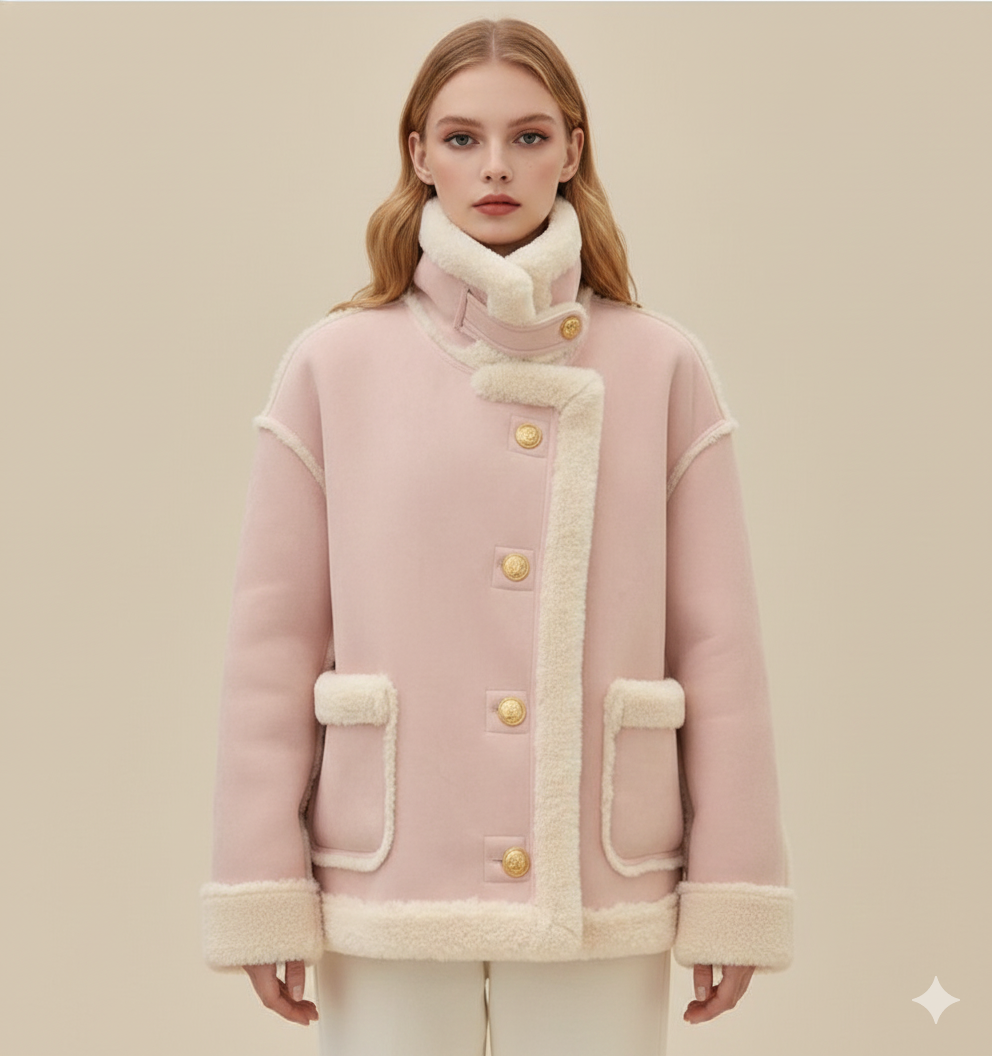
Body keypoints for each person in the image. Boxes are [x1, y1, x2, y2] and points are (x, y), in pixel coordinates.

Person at [201, 18, 793, 1056]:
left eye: (527, 137)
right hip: (389, 865)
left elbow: (718, 645)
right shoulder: (333, 365)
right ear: (418, 154)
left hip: (597, 872)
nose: (495, 167)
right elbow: (272, 646)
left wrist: (731, 889)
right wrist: (263, 886)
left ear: (572, 150)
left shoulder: (661, 366)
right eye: (462, 138)